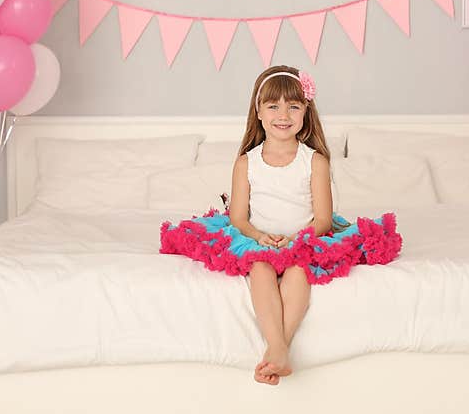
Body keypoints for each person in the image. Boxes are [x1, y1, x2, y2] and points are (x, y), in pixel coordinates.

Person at [160, 65, 402, 386]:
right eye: (273, 106)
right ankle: (279, 348)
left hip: (303, 240)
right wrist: (260, 236)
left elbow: (324, 218)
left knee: (298, 271)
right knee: (260, 269)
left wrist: (295, 240)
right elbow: (238, 218)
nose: (283, 114)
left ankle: (277, 348)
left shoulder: (314, 160)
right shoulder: (248, 161)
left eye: (293, 106)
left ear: (305, 112)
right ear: (258, 113)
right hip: (258, 241)